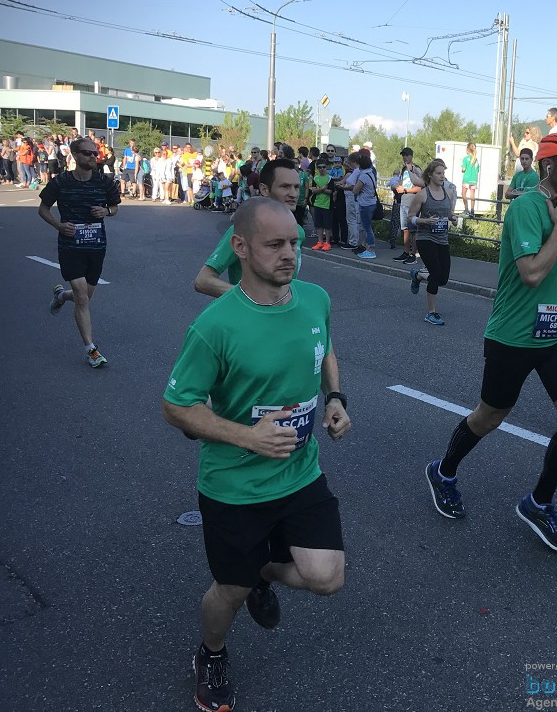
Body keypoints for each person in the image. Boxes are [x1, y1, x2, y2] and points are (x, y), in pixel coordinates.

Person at [162, 197, 351, 712]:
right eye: (275, 245)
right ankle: (212, 653)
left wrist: (334, 398)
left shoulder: (314, 299)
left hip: (300, 472)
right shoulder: (216, 326)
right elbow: (177, 407)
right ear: (240, 248)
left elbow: (324, 349)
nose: (290, 254)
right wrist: (248, 437)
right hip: (235, 486)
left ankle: (266, 569)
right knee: (230, 589)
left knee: (327, 578)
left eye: (294, 242)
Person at [424, 132, 557, 555]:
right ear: (549, 165)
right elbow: (531, 273)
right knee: (488, 417)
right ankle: (443, 471)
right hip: (513, 337)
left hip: (553, 335)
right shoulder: (526, 207)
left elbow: (549, 275)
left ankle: (539, 503)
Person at [41, 137, 121, 367]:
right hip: (70, 245)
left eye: (95, 154)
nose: (93, 157)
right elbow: (42, 209)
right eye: (87, 153)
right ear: (74, 155)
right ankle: (91, 349)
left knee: (83, 296)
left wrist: (106, 211)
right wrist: (58, 225)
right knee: (82, 296)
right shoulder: (62, 182)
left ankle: (61, 296)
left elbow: (115, 206)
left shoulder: (104, 182)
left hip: (96, 246)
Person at [195, 159, 307, 298]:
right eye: (285, 187)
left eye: (296, 187)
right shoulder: (245, 229)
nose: (293, 194)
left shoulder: (298, 232)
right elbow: (203, 280)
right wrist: (251, 300)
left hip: (283, 315)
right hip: (250, 317)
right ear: (264, 189)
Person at [408, 159, 456, 325]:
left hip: (442, 238)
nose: (442, 176)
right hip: (425, 238)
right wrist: (424, 221)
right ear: (430, 175)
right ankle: (431, 312)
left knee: (443, 279)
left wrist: (454, 218)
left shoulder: (448, 192)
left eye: (443, 173)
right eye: (439, 173)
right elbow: (411, 218)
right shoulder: (422, 194)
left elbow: (449, 214)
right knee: (435, 274)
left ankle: (419, 275)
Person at [392, 147, 424, 263]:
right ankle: (406, 252)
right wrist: (397, 186)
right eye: (403, 156)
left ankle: (413, 254)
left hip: (413, 202)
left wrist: (405, 190)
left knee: (413, 230)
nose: (405, 158)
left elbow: (420, 186)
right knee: (405, 229)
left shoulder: (416, 169)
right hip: (404, 202)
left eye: (407, 155)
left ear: (411, 156)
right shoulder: (404, 169)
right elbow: (402, 182)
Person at [351, 150, 379, 259]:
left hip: (365, 204)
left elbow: (355, 190)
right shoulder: (371, 173)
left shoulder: (363, 176)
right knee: (368, 226)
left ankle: (371, 249)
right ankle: (368, 247)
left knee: (367, 228)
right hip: (371, 202)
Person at [309, 156, 333, 250]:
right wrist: (323, 189)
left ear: (326, 167)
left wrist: (320, 189)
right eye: (319, 167)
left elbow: (330, 191)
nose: (322, 169)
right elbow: (314, 191)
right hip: (317, 204)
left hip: (327, 204)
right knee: (318, 225)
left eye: (323, 167)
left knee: (327, 225)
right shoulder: (315, 178)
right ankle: (320, 241)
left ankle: (327, 242)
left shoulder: (329, 178)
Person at [458, 142, 480, 216]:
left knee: (463, 193)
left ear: (468, 150)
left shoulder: (465, 159)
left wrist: (461, 170)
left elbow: (463, 169)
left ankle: (466, 209)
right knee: (472, 195)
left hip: (466, 179)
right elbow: (477, 170)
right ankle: (472, 211)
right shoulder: (476, 160)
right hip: (474, 180)